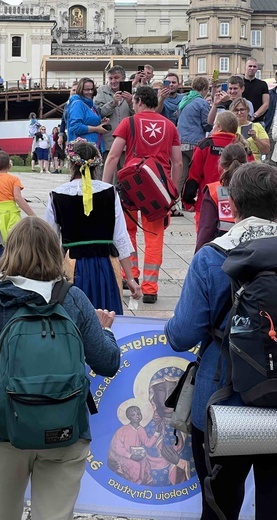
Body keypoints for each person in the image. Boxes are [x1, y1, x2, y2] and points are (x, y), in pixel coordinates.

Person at [0, 216, 121, 520]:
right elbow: (108, 362)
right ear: (54, 251)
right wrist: (106, 331)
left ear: (10, 251)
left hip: (5, 429)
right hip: (66, 428)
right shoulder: (74, 298)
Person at [165, 163, 277, 520]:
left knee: (219, 509)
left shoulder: (212, 257)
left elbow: (181, 336)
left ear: (235, 204)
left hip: (223, 402)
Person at [103, 87, 182, 304]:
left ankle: (132, 275)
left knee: (128, 231)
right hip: (158, 188)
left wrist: (104, 186)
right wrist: (172, 194)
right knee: (155, 236)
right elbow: (177, 162)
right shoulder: (170, 125)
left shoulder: (129, 123)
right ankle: (150, 288)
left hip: (132, 185)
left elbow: (113, 156)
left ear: (137, 101)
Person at [47, 139, 141, 314]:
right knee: (107, 319)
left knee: (77, 319)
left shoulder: (56, 195)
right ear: (96, 163)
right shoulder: (110, 192)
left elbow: (50, 241)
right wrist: (130, 278)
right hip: (106, 265)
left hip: (73, 267)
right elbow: (120, 237)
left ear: (71, 164)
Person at [182, 111, 244, 229]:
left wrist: (188, 200)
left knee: (205, 241)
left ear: (219, 126)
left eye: (214, 124)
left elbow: (193, 175)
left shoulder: (205, 145)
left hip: (207, 201)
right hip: (237, 204)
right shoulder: (243, 147)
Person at [195, 143, 248, 251]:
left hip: (221, 253)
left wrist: (198, 258)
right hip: (251, 251)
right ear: (246, 162)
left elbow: (206, 230)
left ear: (221, 164)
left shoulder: (214, 191)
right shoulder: (255, 188)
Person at [0, 151, 35, 241]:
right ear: (9, 166)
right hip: (11, 213)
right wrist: (32, 214)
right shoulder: (14, 179)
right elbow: (18, 198)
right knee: (14, 240)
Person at [177, 77, 213, 197]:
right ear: (204, 89)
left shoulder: (184, 100)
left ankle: (174, 202)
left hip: (180, 141)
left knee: (181, 175)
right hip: (195, 142)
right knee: (197, 172)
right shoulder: (202, 102)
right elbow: (207, 124)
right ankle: (193, 199)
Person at [94, 65, 134, 165]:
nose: (113, 81)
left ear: (123, 78)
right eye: (110, 78)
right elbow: (100, 113)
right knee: (109, 176)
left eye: (116, 78)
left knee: (125, 175)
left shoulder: (133, 92)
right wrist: (113, 103)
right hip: (108, 142)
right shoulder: (101, 91)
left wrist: (130, 102)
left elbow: (138, 115)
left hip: (128, 143)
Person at [66, 77, 108, 153]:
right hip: (83, 150)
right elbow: (75, 127)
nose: (90, 92)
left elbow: (87, 121)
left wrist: (101, 123)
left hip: (92, 147)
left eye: (92, 89)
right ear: (80, 90)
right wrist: (96, 128)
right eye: (86, 89)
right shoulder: (78, 104)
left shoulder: (90, 104)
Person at [242, 58, 270, 125]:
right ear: (245, 67)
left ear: (257, 68)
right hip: (241, 120)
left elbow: (266, 104)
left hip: (258, 121)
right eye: (250, 66)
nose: (252, 68)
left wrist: (254, 116)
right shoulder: (239, 83)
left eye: (254, 66)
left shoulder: (262, 84)